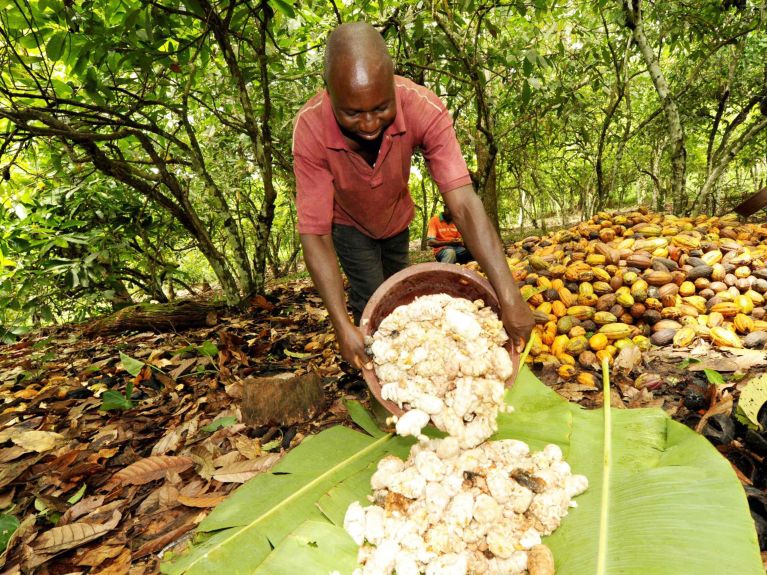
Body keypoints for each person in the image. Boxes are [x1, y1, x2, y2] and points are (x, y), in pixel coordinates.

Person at [292, 22, 533, 371]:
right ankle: (382, 384)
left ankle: (412, 368)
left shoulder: (422, 106)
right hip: (349, 224)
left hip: (396, 218)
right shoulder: (311, 127)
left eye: (380, 108)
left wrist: (509, 296)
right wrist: (340, 325)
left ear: (393, 83)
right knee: (371, 301)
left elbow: (463, 203)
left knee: (398, 295)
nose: (370, 123)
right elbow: (314, 232)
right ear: (328, 93)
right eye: (353, 113)